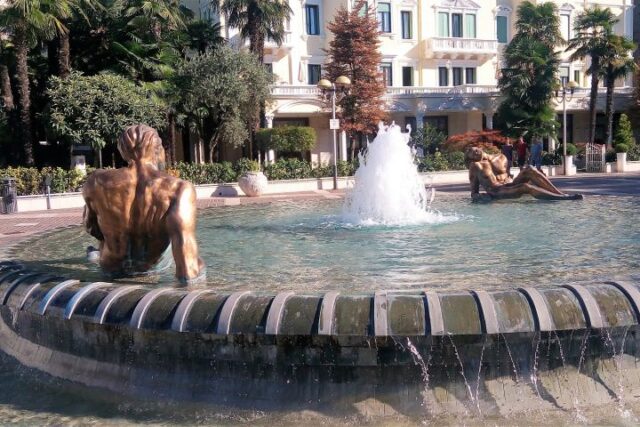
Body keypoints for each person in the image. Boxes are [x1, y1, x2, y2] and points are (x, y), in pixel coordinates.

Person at [82, 125, 205, 284]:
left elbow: (90, 227)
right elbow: (184, 253)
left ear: (123, 151)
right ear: (158, 150)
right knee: (197, 262)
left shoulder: (97, 181)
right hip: (152, 268)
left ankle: (96, 254)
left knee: (104, 242)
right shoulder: (178, 189)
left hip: (110, 266)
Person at [464, 146, 583, 201]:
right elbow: (473, 192)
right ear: (469, 159)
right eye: (469, 152)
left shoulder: (499, 157)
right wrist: (480, 197)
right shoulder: (475, 166)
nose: (472, 151)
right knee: (525, 187)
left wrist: (487, 157)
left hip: (508, 185)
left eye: (473, 149)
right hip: (497, 191)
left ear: (479, 147)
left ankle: (561, 194)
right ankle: (561, 198)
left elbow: (500, 168)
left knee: (530, 169)